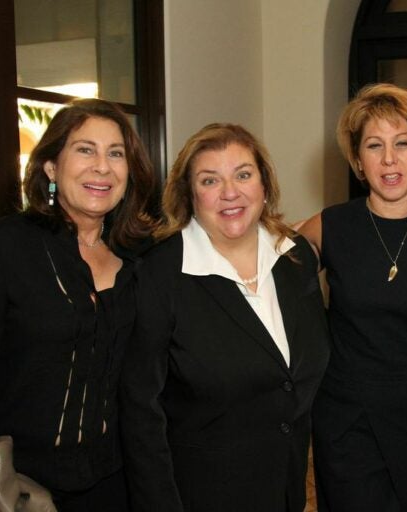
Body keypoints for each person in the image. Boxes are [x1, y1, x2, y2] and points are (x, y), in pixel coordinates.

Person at [0, 98, 158, 511]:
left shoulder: (141, 257)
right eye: (85, 150)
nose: (102, 167)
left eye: (116, 154)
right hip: (15, 487)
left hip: (116, 485)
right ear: (51, 167)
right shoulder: (6, 247)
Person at [120, 123, 330, 512]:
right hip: (198, 495)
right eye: (210, 180)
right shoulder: (159, 274)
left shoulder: (294, 257)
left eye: (243, 175)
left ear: (265, 185)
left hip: (285, 489)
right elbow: (140, 414)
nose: (230, 192)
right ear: (190, 195)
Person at [297, 83, 407, 511]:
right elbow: (265, 271)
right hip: (348, 423)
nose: (389, 159)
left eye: (403, 143)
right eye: (374, 145)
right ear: (358, 161)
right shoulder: (330, 226)